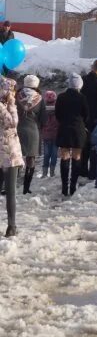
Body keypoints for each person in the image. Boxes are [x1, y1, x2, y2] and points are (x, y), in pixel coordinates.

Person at [56, 74, 90, 196]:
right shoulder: (82, 98)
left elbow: (57, 114)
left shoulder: (61, 97)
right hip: (78, 129)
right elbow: (86, 114)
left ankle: (64, 186)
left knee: (64, 156)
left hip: (64, 128)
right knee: (77, 156)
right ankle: (73, 185)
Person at [16, 75, 46, 195]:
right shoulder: (39, 99)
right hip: (33, 131)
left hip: (17, 130)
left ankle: (11, 185)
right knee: (30, 159)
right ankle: (26, 188)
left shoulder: (16, 96)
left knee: (15, 159)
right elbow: (43, 119)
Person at [0, 77, 22, 237]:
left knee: (10, 192)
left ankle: (12, 226)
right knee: (10, 192)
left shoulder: (6, 105)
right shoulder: (4, 107)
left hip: (9, 154)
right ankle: (12, 226)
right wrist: (8, 105)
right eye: (12, 90)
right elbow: (12, 122)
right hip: (8, 153)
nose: (13, 93)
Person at [40, 90, 58, 178]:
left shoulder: (43, 108)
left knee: (46, 154)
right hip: (55, 135)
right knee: (54, 154)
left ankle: (44, 173)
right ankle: (52, 172)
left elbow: (40, 122)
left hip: (46, 135)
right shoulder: (58, 108)